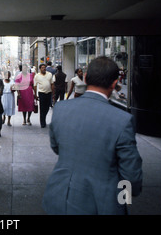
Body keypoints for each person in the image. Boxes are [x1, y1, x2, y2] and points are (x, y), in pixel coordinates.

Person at [42, 56, 143, 215]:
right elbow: (131, 176)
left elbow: (57, 147)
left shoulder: (61, 109)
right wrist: (123, 200)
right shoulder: (122, 120)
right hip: (101, 205)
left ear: (86, 77)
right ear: (114, 84)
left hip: (58, 198)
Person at [34, 64, 54, 128]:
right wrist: (35, 95)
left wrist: (53, 93)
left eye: (44, 67)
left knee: (47, 107)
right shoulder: (37, 76)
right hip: (41, 93)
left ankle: (44, 117)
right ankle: (42, 122)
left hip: (49, 93)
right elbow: (35, 86)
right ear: (40, 69)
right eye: (42, 68)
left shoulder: (49, 74)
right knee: (42, 108)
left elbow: (52, 84)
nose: (44, 69)